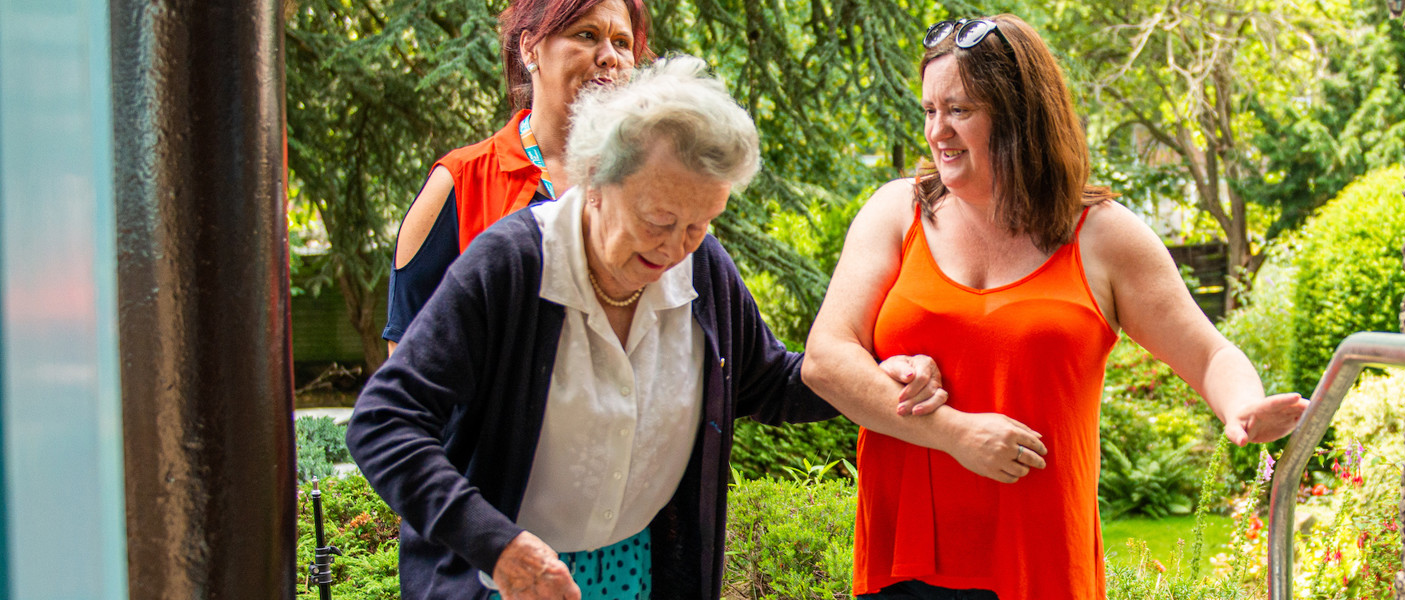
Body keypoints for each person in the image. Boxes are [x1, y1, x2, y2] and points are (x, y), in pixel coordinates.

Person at [347, 57, 949, 600]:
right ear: (595, 181)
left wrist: (873, 375)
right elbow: (384, 422)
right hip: (508, 577)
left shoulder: (702, 266)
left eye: (700, 222)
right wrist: (495, 543)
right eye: (659, 219)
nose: (675, 247)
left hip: (640, 571)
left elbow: (768, 382)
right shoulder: (512, 265)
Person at [801, 15, 1311, 600]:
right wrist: (955, 433)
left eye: (960, 110)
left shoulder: (1103, 237)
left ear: (1019, 115)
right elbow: (825, 359)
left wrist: (1243, 405)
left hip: (1039, 564)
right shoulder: (898, 212)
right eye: (928, 111)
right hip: (907, 562)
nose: (937, 131)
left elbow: (1210, 353)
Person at [384, 0, 649, 354]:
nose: (609, 57)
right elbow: (407, 357)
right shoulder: (460, 182)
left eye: (622, 43)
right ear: (529, 49)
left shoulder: (650, 183)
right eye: (587, 35)